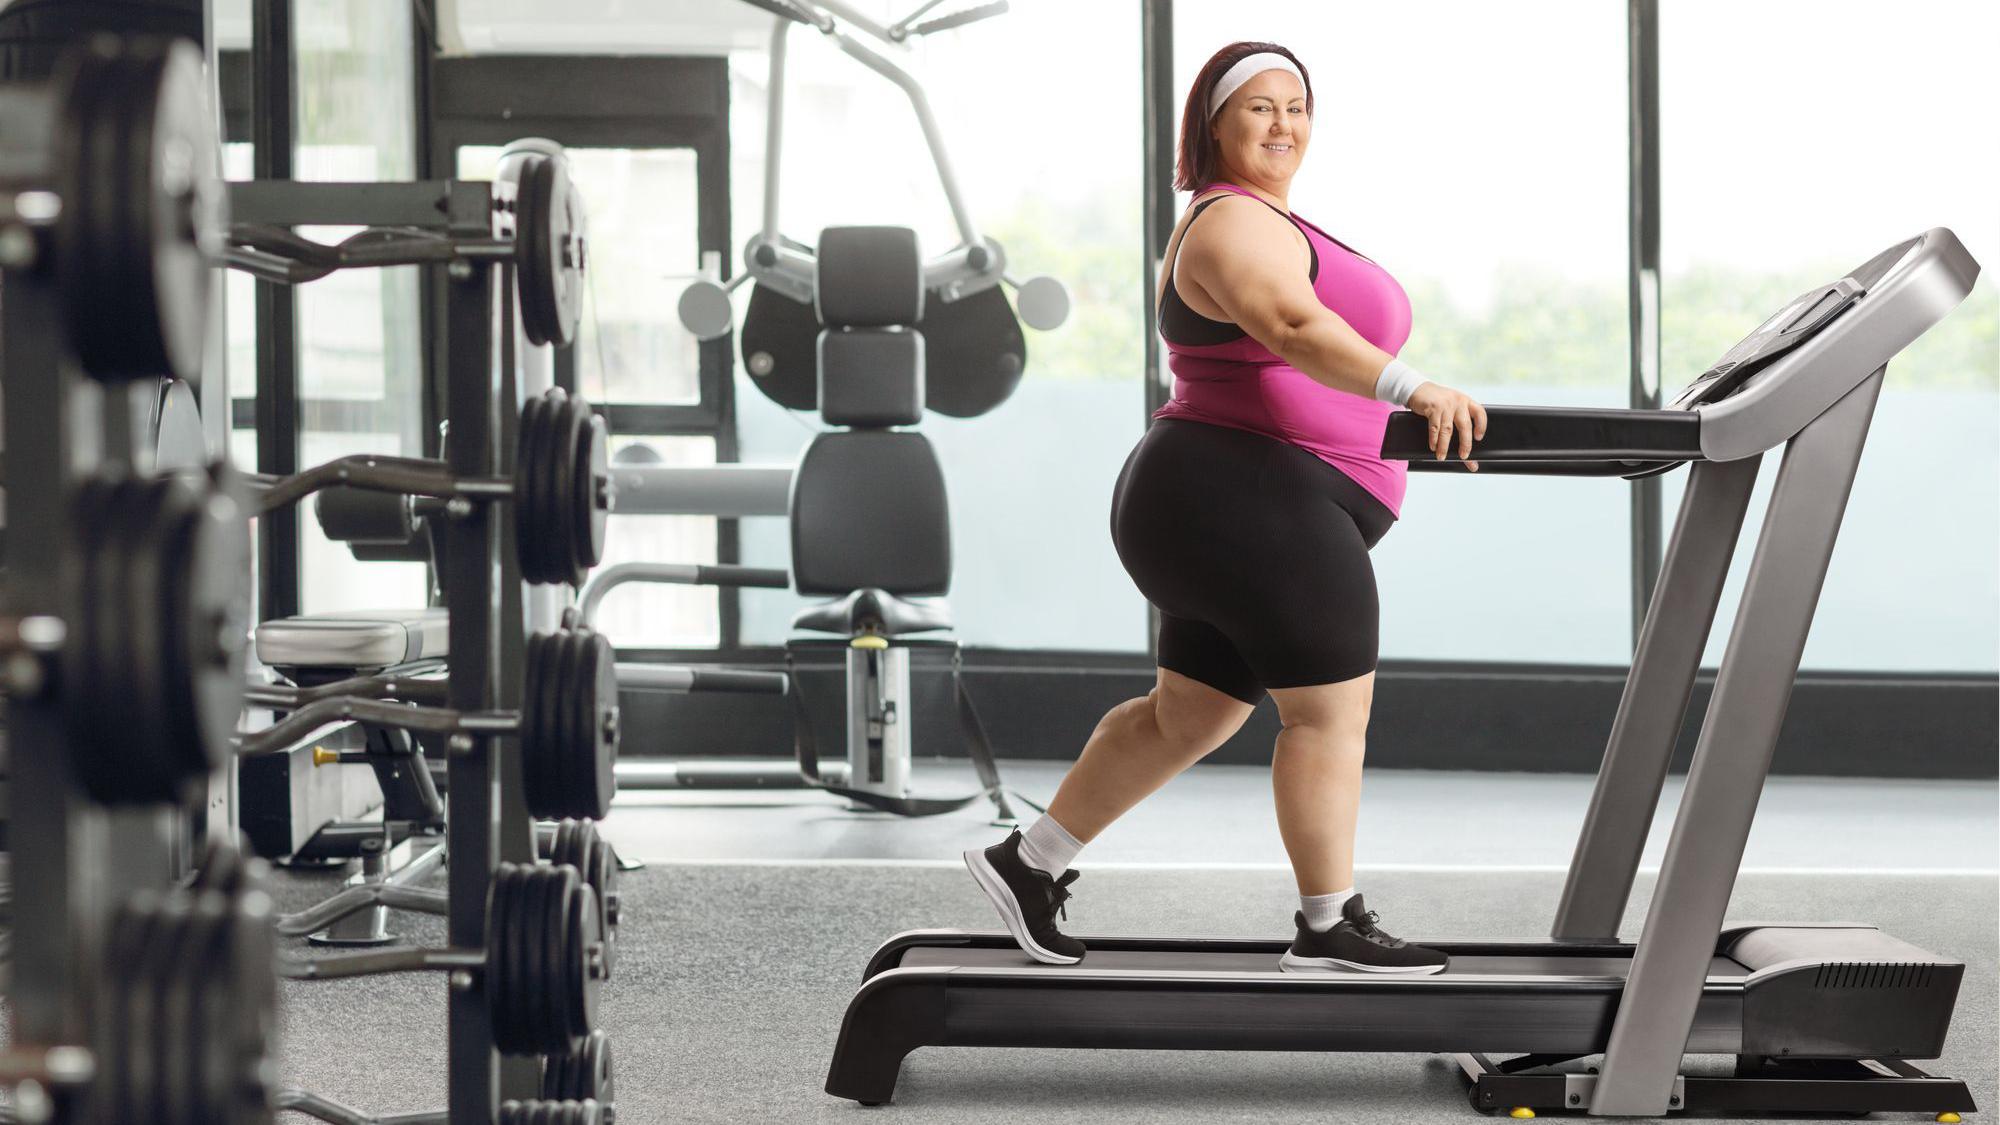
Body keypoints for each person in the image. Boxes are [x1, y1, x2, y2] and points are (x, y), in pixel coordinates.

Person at [964, 40, 1488, 975]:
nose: (1283, 124)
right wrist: (1413, 388)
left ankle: (1028, 862)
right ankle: (1328, 924)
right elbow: (1290, 326)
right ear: (1213, 123)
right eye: (1259, 107)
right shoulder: (1228, 223)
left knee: (1189, 715)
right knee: (1327, 716)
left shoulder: (1274, 221)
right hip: (1248, 498)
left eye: (1297, 107)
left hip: (1221, 500)